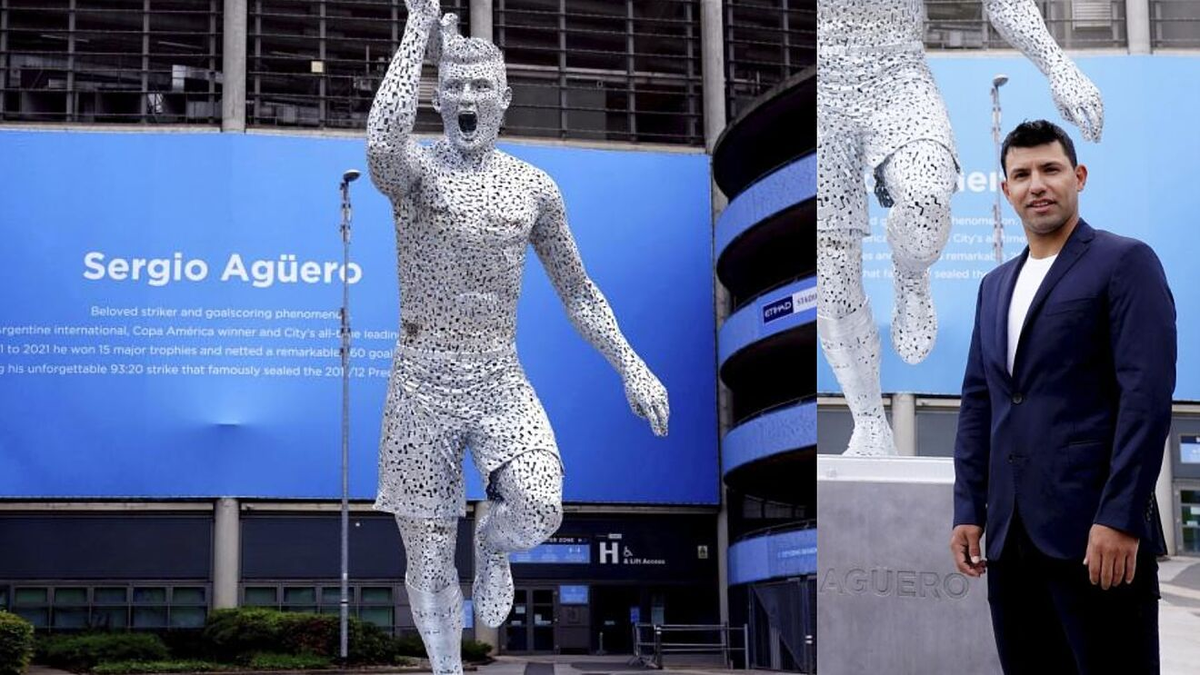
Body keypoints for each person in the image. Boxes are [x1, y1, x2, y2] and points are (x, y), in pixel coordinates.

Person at [365, 3, 669, 674]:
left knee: (540, 504)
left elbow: (579, 292)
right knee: (428, 553)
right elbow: (383, 147)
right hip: (420, 380)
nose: (467, 99)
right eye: (454, 87)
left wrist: (632, 365)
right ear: (438, 98)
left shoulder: (534, 189)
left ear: (503, 99)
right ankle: (448, 668)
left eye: (480, 88)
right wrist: (418, 28)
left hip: (499, 377)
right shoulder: (416, 180)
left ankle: (495, 541)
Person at [817, 0, 1103, 455]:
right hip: (820, 95)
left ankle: (911, 270)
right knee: (832, 276)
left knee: (928, 200)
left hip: (898, 78)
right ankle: (870, 421)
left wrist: (1058, 66)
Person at [950, 120, 1175, 674]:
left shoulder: (1125, 262)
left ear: (1078, 176)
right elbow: (980, 402)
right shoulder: (993, 285)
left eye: (1050, 170)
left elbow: (1145, 399)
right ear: (1005, 190)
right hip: (1009, 541)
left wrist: (1121, 517)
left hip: (1096, 537)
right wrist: (967, 509)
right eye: (1021, 174)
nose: (1037, 185)